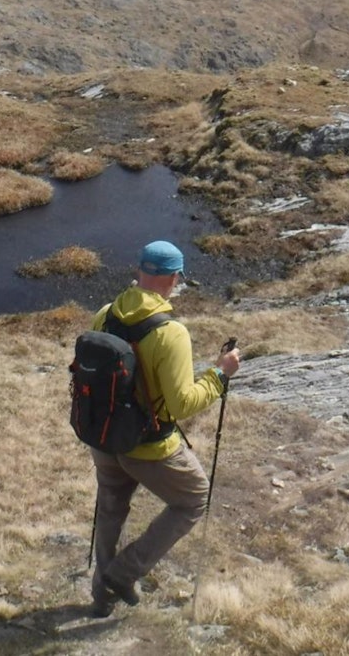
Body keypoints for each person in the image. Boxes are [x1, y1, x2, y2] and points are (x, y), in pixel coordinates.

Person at [88, 240, 241, 617]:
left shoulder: (105, 314)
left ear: (140, 271)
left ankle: (101, 592)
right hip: (148, 446)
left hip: (104, 437)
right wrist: (221, 373)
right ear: (174, 279)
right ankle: (123, 573)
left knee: (111, 509)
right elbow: (182, 404)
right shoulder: (170, 333)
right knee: (192, 499)